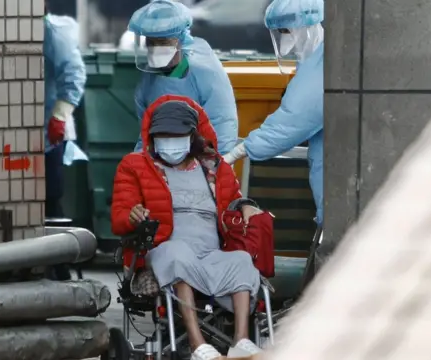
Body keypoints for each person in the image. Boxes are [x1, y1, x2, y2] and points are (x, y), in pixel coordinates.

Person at [110, 95, 263, 360]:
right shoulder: (134, 166)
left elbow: (234, 200)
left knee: (241, 261)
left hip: (210, 253)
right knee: (176, 253)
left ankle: (241, 340)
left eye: (176, 135)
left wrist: (246, 205)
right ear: (152, 137)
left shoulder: (214, 167)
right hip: (164, 250)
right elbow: (120, 216)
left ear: (192, 136)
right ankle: (197, 344)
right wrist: (133, 215)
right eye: (163, 136)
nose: (169, 142)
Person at [223, 0, 324, 226]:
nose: (284, 39)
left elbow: (291, 121)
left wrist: (239, 151)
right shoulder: (313, 62)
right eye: (279, 32)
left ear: (308, 26)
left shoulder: (321, 66)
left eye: (287, 31)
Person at [127, 0, 238, 155]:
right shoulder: (148, 80)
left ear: (180, 40)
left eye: (163, 42)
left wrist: (213, 167)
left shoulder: (203, 72)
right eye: (151, 42)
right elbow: (146, 134)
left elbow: (222, 124)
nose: (156, 48)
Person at [44, 12, 88, 219]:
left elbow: (74, 73)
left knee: (49, 193)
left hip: (49, 130)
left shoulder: (53, 31)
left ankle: (56, 248)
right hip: (25, 128)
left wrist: (60, 115)